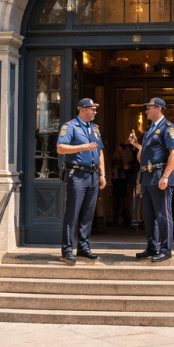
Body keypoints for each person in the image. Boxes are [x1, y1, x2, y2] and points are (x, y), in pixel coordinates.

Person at [56, 98, 107, 263]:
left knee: (88, 213)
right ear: (83, 109)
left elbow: (100, 152)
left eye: (95, 109)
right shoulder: (70, 126)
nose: (95, 112)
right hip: (76, 174)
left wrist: (102, 174)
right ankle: (67, 249)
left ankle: (83, 248)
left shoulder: (95, 128)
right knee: (72, 213)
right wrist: (82, 147)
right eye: (92, 109)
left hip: (93, 175)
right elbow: (60, 148)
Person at [129, 97, 174, 262]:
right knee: (148, 215)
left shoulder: (169, 128)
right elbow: (142, 157)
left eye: (148, 107)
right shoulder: (150, 130)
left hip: (160, 176)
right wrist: (137, 145)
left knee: (163, 214)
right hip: (147, 176)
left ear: (157, 108)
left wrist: (165, 176)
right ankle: (152, 247)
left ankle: (165, 249)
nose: (146, 111)